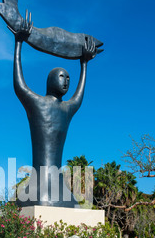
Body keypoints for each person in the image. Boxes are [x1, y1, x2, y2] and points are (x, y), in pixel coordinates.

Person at [9, 12, 97, 207]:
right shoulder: (36, 102)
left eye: (68, 78)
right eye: (61, 77)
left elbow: (78, 96)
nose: (66, 81)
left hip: (59, 188)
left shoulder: (66, 109)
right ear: (50, 81)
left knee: (69, 203)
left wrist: (84, 65)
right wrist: (19, 43)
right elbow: (19, 84)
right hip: (38, 185)